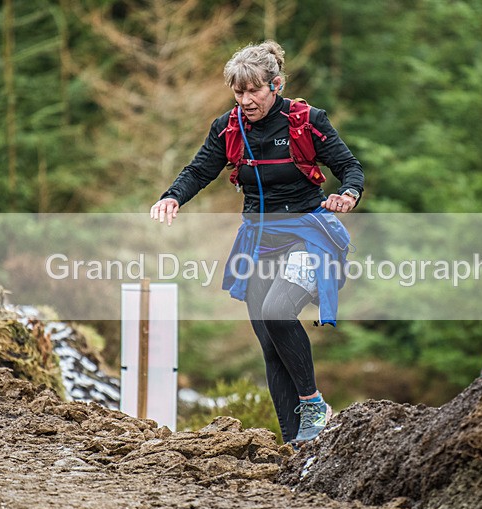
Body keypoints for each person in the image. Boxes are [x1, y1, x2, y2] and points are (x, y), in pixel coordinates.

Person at [150, 41, 365, 446]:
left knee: (279, 310)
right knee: (270, 345)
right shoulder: (228, 128)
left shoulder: (306, 120)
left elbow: (349, 167)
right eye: (238, 92)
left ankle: (315, 404)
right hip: (258, 241)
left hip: (307, 237)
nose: (245, 100)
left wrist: (348, 194)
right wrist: (172, 195)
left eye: (254, 91)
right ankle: (294, 446)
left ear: (276, 84)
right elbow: (200, 169)